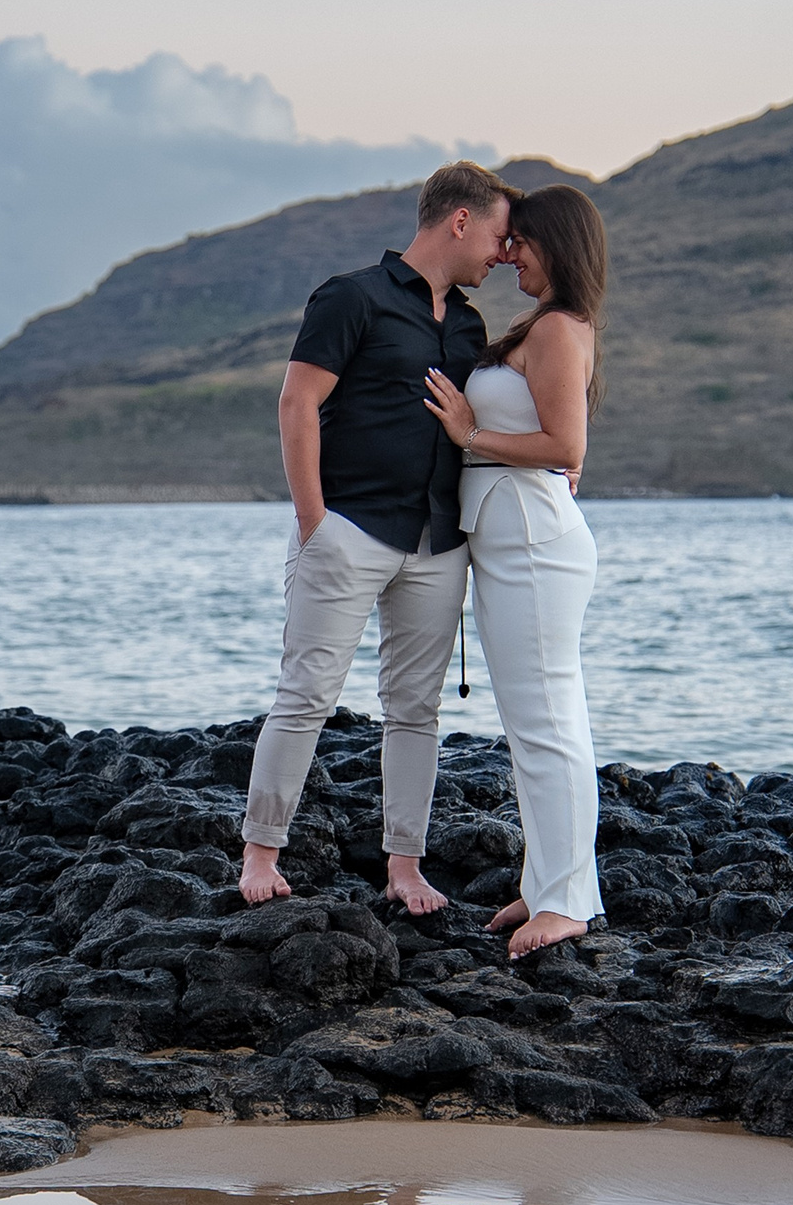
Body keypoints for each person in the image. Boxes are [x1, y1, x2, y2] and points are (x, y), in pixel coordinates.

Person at [239, 161, 515, 911]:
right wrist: (314, 523)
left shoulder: (469, 325)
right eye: (497, 236)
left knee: (416, 709)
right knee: (306, 695)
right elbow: (297, 402)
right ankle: (260, 853)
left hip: (438, 541)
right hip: (349, 528)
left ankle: (405, 867)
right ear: (460, 220)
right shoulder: (351, 296)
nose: (503, 253)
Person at [422, 183, 607, 957]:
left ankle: (566, 901)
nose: (509, 256)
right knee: (536, 723)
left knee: (548, 723)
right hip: (515, 540)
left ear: (554, 244)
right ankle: (548, 882)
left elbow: (566, 448)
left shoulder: (559, 327)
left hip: (533, 546)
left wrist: (471, 434)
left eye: (520, 242)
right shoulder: (547, 325)